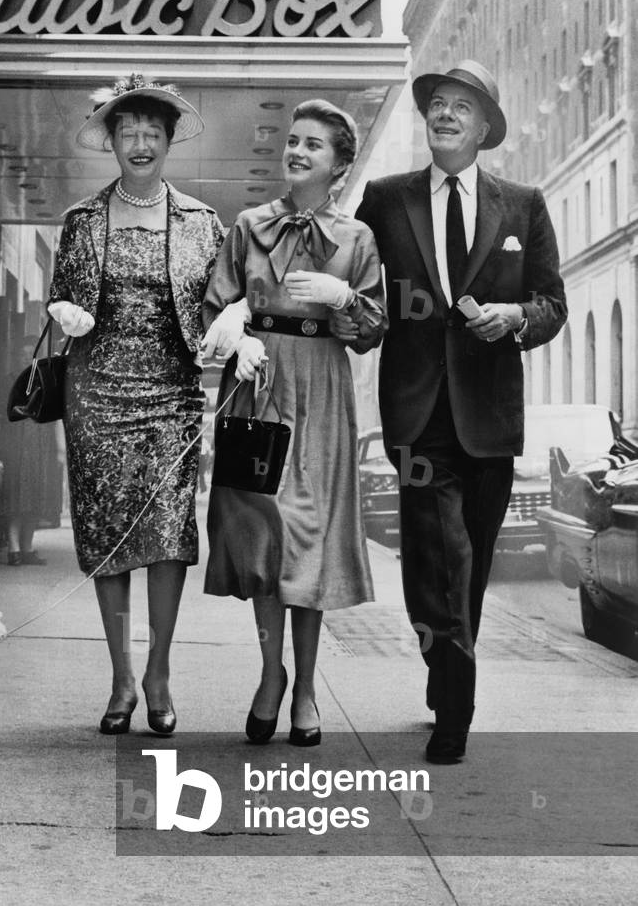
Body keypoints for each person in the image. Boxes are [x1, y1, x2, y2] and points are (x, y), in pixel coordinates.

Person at [350, 60, 567, 764]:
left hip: (489, 417)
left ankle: (443, 674)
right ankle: (456, 710)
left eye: (460, 107)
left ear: (483, 127)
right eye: (436, 104)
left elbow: (551, 304)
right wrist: (352, 317)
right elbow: (361, 291)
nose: (444, 114)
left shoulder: (522, 204)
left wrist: (513, 316)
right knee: (439, 556)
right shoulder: (385, 200)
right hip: (417, 417)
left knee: (464, 567)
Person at [47, 73, 235, 737]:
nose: (140, 141)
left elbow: (225, 298)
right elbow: (61, 297)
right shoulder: (80, 220)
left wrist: (233, 321)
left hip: (172, 396)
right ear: (111, 140)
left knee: (166, 536)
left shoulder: (201, 222)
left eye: (152, 131)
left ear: (168, 139)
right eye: (127, 130)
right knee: (107, 539)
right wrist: (64, 309)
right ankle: (120, 677)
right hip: (94, 393)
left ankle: (157, 671)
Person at [203, 99, 386, 746]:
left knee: (306, 540)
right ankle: (268, 674)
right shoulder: (248, 225)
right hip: (256, 386)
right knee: (261, 540)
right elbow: (214, 302)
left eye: (314, 144)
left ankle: (305, 687)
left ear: (337, 164)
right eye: (293, 140)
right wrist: (233, 332)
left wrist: (346, 299)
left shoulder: (356, 239)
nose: (298, 151)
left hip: (319, 391)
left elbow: (370, 331)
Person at [0, 335, 66, 566]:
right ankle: (13, 549)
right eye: (22, 355)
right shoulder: (8, 382)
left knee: (35, 499)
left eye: (31, 354)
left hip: (41, 450)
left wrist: (61, 450)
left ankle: (27, 548)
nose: (27, 359)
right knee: (14, 499)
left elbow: (57, 418)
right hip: (14, 448)